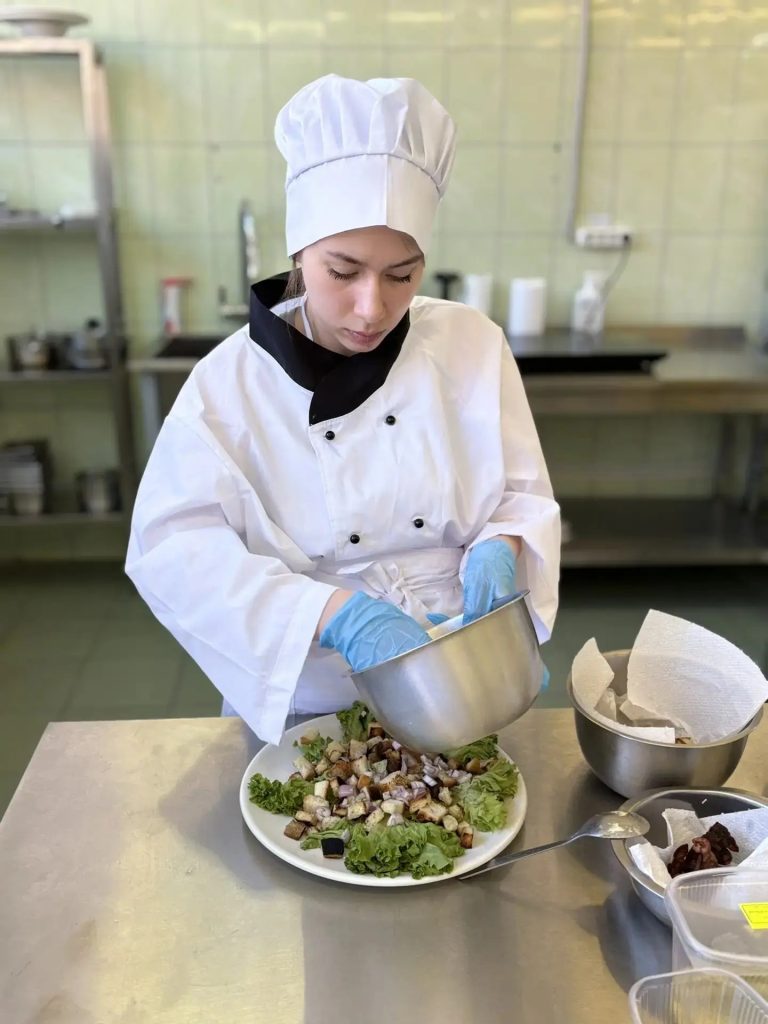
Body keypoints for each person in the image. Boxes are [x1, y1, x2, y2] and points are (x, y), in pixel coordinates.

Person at [126, 75, 561, 744]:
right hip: (307, 688)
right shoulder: (228, 385)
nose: (371, 308)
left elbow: (520, 495)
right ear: (299, 253)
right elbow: (173, 551)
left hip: (462, 671)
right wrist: (334, 615)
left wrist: (501, 549)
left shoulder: (471, 344)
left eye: (402, 274)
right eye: (343, 270)